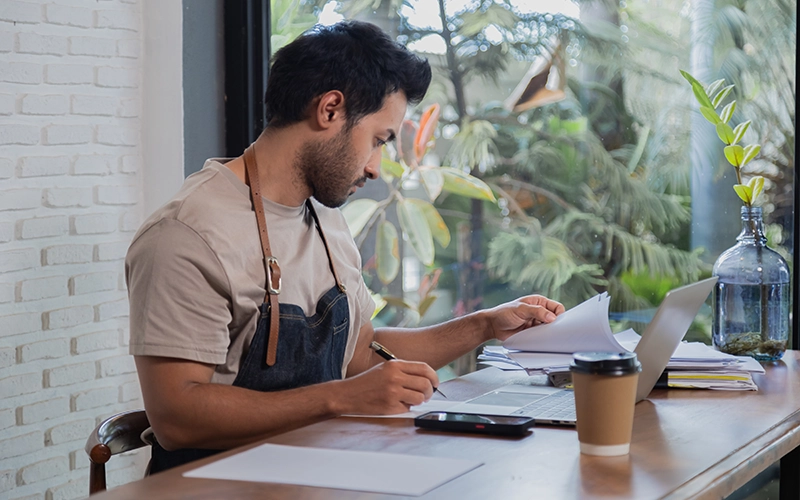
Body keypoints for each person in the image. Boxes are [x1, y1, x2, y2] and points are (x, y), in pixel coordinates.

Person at [125, 20, 564, 473]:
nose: (376, 168)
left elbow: (360, 354)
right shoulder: (187, 234)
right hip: (215, 484)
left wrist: (485, 325)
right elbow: (177, 417)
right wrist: (340, 398)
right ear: (330, 109)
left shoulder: (325, 218)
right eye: (378, 141)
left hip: (316, 471)